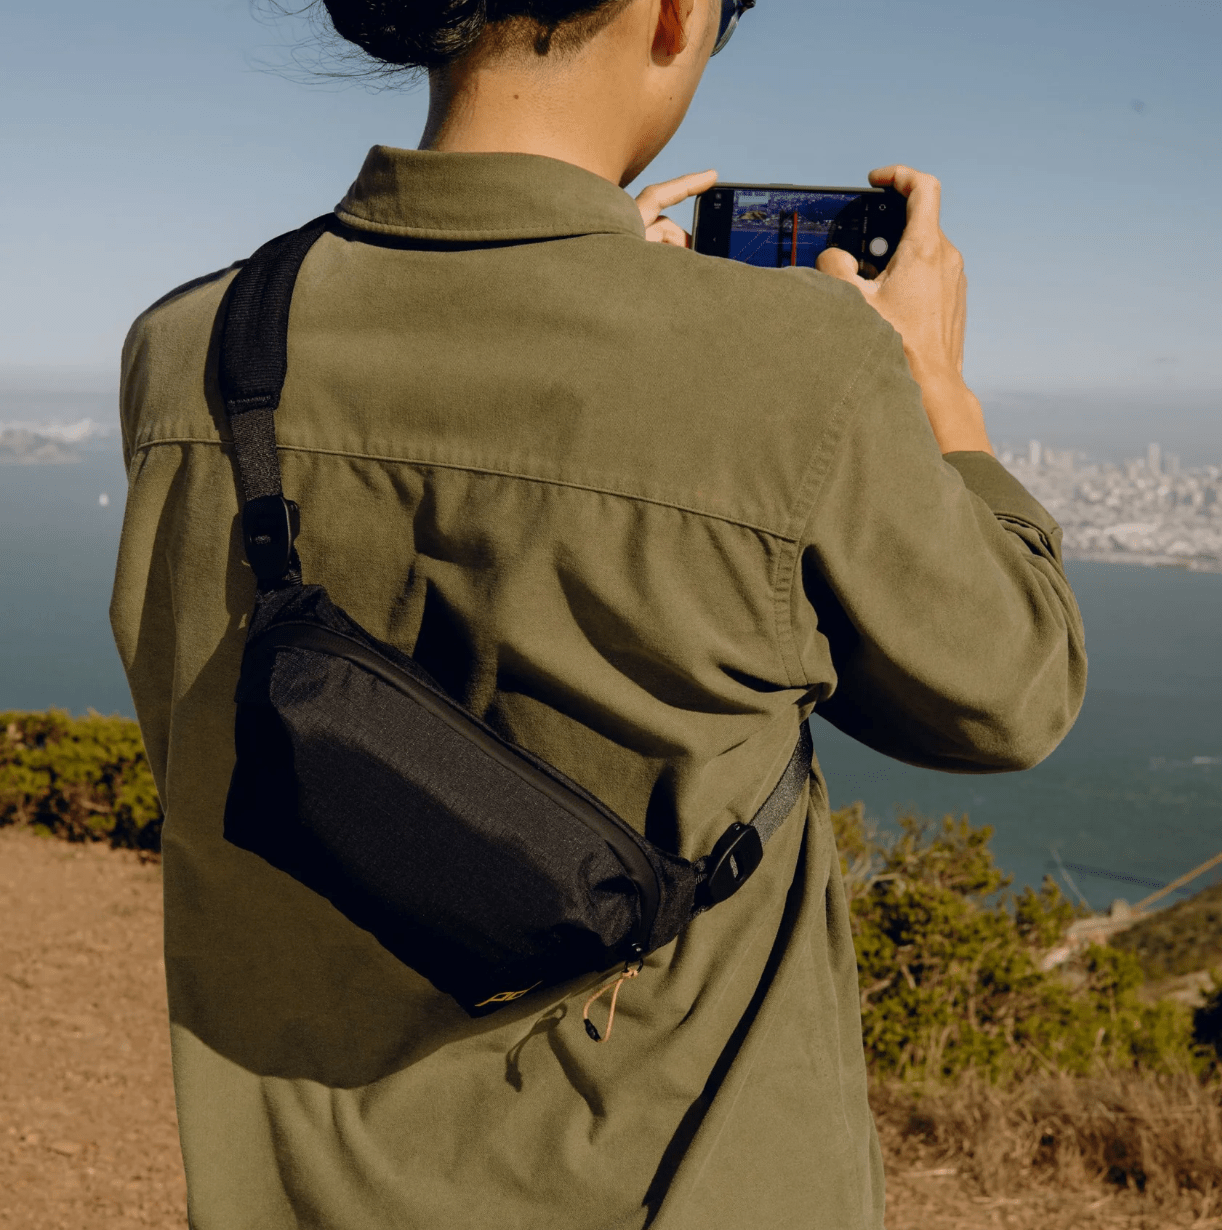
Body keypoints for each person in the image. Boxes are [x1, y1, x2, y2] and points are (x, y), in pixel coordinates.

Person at [110, 0, 1086, 1227]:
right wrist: (938, 392)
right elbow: (1011, 694)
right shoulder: (799, 367)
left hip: (291, 1191)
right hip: (674, 1187)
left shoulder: (190, 347)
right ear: (671, 14)